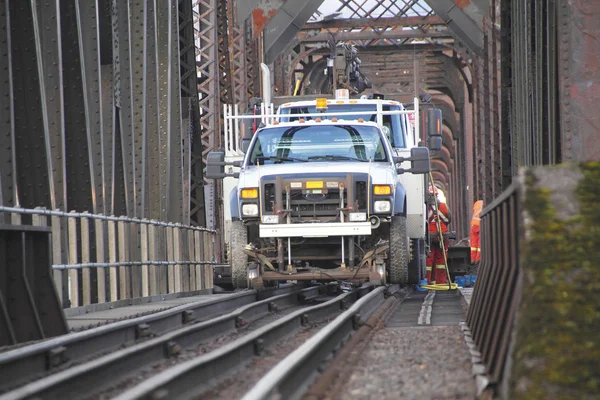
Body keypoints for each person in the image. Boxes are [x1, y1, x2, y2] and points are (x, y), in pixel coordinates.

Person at [426, 186, 451, 285]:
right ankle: (441, 282)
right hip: (442, 235)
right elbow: (449, 219)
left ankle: (428, 281)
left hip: (430, 237)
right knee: (441, 260)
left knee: (429, 259)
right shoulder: (444, 206)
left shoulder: (425, 207)